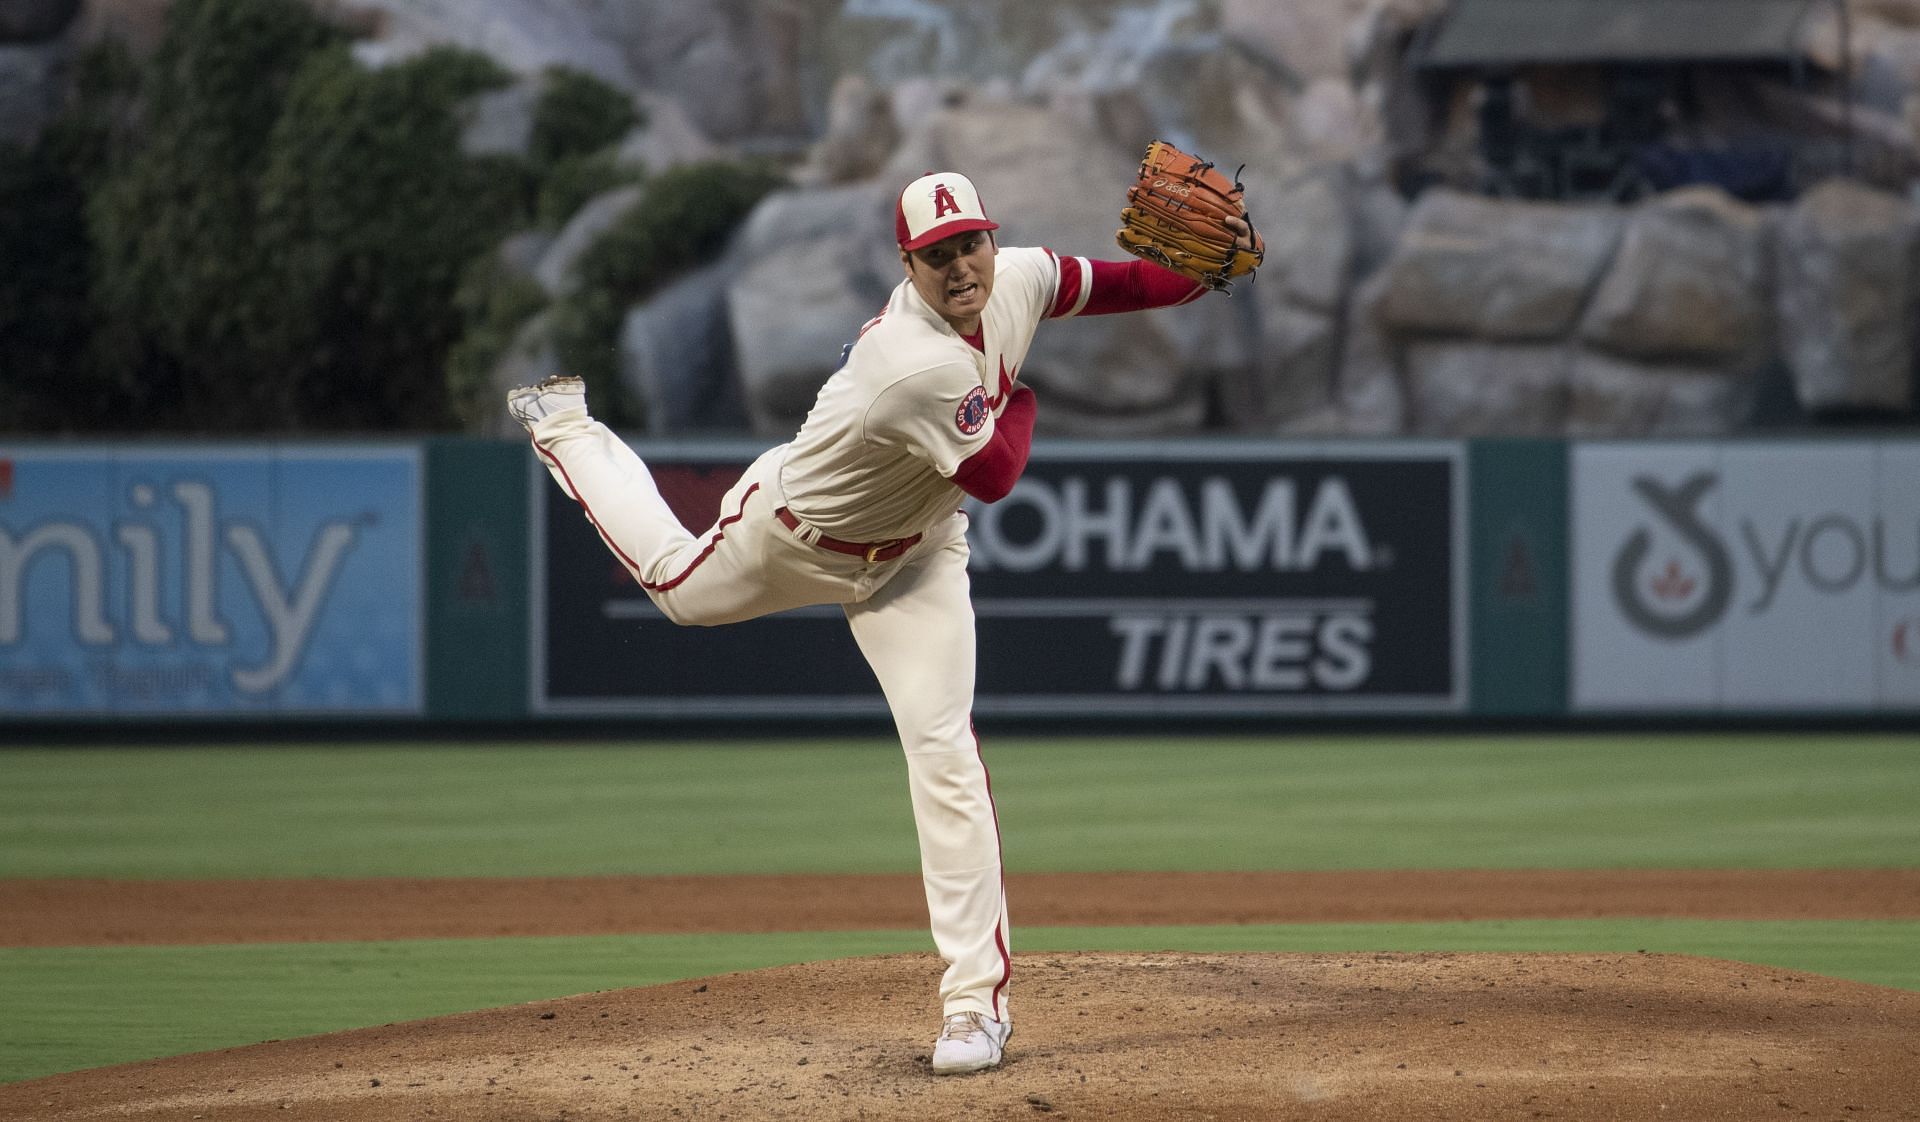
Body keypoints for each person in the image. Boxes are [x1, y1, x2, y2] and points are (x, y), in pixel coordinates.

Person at [509, 169, 1255, 1075]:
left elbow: (1123, 282)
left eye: (969, 244)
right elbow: (996, 472)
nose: (960, 268)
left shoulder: (1015, 276)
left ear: (991, 238)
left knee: (944, 753)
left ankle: (975, 1008)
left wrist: (1205, 271)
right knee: (674, 587)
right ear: (908, 265)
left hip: (917, 555)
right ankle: (567, 427)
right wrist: (1020, 397)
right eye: (936, 256)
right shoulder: (914, 361)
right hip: (792, 534)